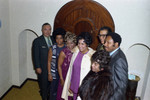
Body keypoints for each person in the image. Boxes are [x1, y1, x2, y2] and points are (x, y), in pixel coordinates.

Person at [62, 32, 95, 100]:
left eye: (82, 44)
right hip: (74, 83)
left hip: (84, 86)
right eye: (79, 43)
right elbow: (71, 70)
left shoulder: (91, 56)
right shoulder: (75, 53)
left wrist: (85, 88)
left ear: (87, 44)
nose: (80, 46)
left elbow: (92, 75)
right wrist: (69, 83)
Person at [32, 23, 55, 100]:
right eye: (45, 29)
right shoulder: (37, 41)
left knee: (51, 85)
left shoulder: (53, 39)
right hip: (43, 68)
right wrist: (37, 67)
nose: (47, 31)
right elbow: (35, 55)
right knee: (44, 86)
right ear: (42, 30)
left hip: (53, 68)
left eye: (49, 29)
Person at [104, 32, 128, 100]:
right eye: (105, 42)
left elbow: (121, 86)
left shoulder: (119, 60)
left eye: (108, 42)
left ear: (116, 44)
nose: (105, 44)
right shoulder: (111, 54)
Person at [57, 32, 77, 100]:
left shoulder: (77, 51)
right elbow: (59, 66)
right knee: (63, 95)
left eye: (71, 43)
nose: (69, 45)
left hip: (74, 77)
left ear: (75, 43)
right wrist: (61, 79)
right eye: (67, 43)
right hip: (65, 76)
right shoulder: (63, 52)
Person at [47, 28, 66, 100]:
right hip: (54, 74)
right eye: (57, 38)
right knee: (53, 91)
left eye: (61, 38)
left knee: (61, 91)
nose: (59, 40)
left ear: (63, 38)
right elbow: (49, 61)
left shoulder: (66, 48)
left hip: (63, 74)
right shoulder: (52, 48)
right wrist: (49, 74)